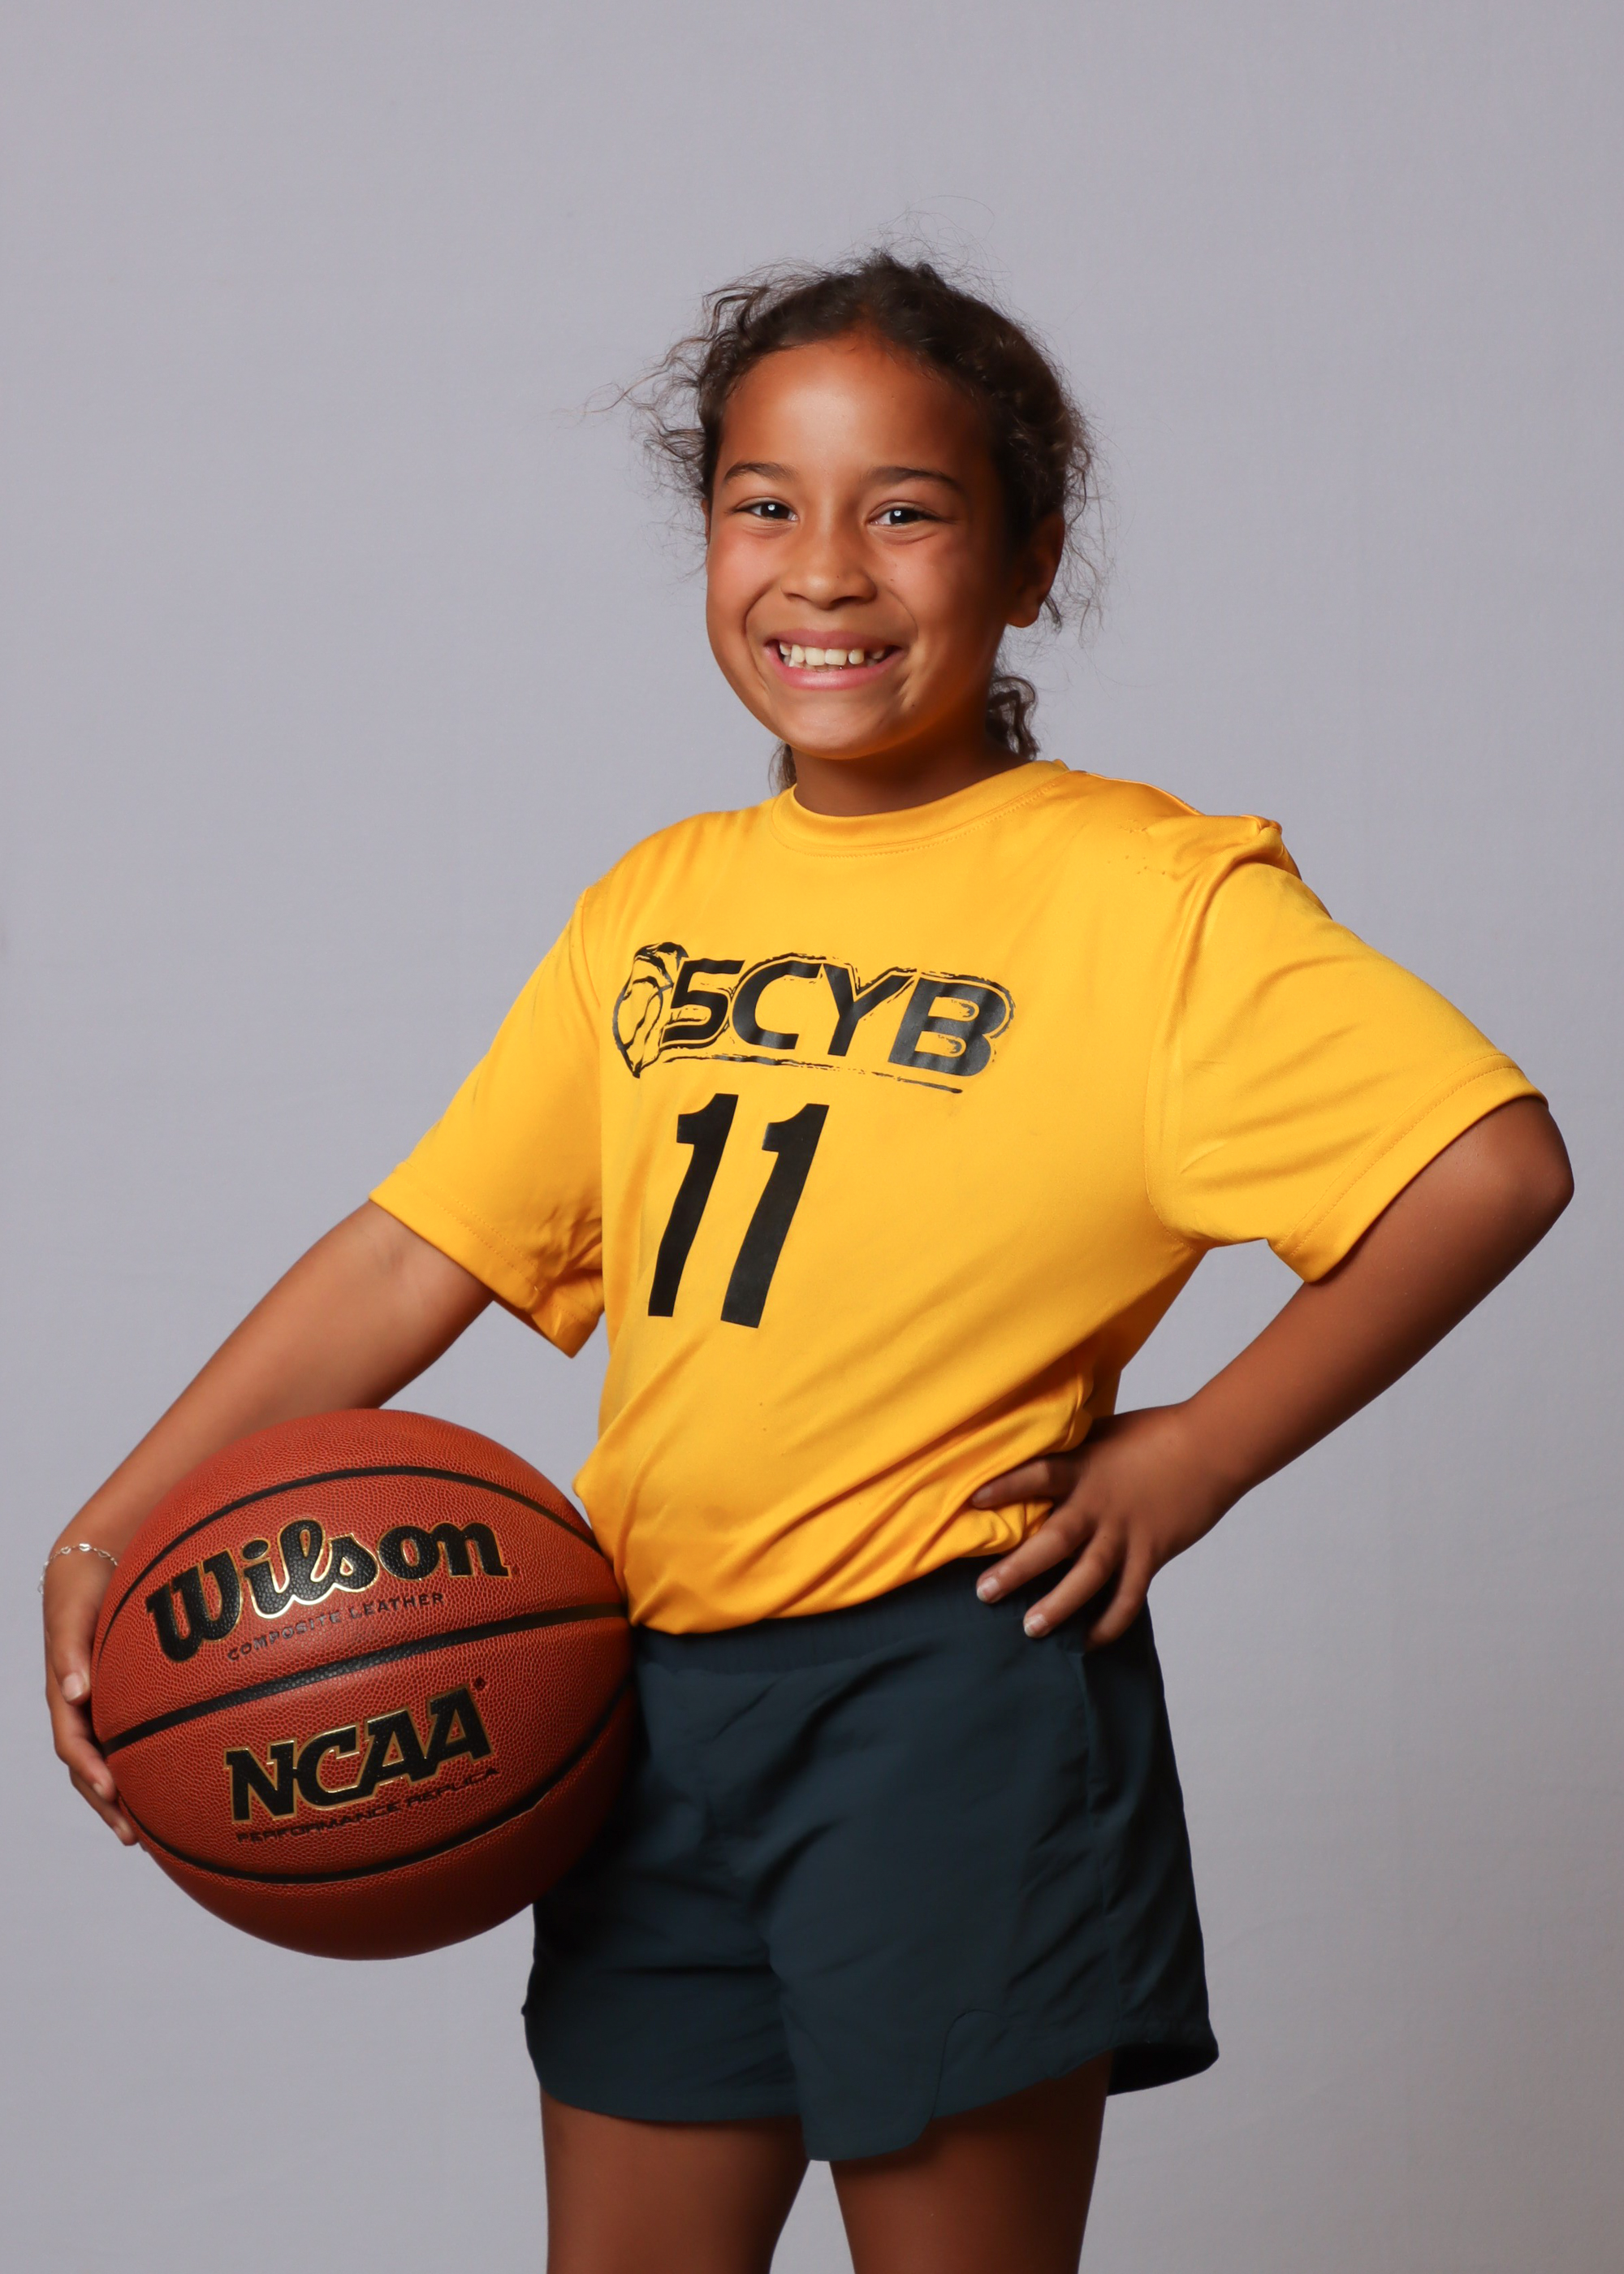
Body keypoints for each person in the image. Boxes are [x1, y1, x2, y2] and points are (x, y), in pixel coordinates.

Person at [41, 254, 1572, 2274]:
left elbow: (1486, 1167)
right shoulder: (658, 905)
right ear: (707, 534)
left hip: (951, 1694)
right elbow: (419, 1251)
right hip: (633, 1691)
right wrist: (114, 1525)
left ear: (1028, 559)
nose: (825, 568)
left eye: (905, 509)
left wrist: (1197, 1452)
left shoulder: (1145, 894)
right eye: (764, 502)